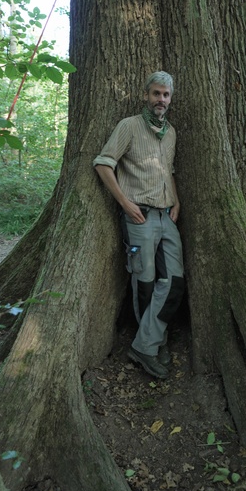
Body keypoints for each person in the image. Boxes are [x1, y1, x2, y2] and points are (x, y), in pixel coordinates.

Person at [93, 71, 184, 379]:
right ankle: (149, 346)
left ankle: (149, 342)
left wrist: (177, 199)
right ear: (147, 95)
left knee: (174, 281)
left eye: (166, 95)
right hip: (139, 216)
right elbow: (104, 163)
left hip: (166, 216)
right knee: (144, 283)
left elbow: (167, 170)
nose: (161, 99)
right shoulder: (129, 126)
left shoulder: (170, 132)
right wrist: (125, 203)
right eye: (156, 93)